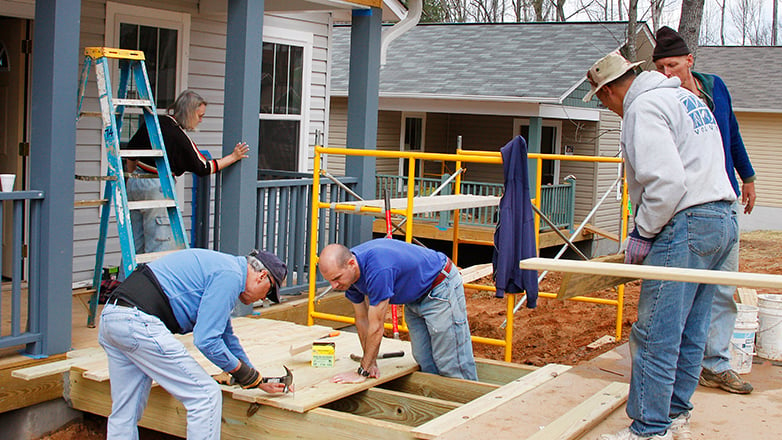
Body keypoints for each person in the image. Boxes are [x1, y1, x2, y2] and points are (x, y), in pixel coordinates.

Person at [583, 50, 737, 440]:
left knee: (656, 332)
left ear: (606, 94)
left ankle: (650, 430)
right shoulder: (685, 96)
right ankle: (675, 415)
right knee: (691, 329)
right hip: (721, 219)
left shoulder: (643, 108)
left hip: (686, 222)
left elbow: (667, 183)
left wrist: (643, 232)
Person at [652, 26, 757, 395]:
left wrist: (747, 176)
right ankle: (680, 367)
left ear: (689, 61)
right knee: (680, 295)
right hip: (686, 208)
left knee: (722, 288)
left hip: (722, 200)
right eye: (661, 67)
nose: (668, 74)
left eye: (674, 65)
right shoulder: (664, 99)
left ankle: (715, 364)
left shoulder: (714, 88)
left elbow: (732, 133)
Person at [98, 248, 288, 440]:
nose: (264, 299)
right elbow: (207, 340)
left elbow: (225, 335)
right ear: (262, 276)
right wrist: (241, 372)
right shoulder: (230, 276)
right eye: (269, 293)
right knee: (205, 396)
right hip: (138, 322)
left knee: (125, 413)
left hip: (113, 318)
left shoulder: (226, 268)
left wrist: (257, 379)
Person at [318, 239, 478, 383]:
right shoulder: (349, 277)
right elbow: (361, 320)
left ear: (352, 264)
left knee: (451, 361)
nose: (334, 286)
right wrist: (371, 362)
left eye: (337, 278)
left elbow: (376, 327)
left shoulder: (378, 269)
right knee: (424, 359)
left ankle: (470, 406)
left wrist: (363, 371)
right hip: (414, 296)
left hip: (439, 287)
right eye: (330, 281)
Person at [125, 90, 250, 253]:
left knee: (134, 243)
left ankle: (126, 278)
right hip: (156, 185)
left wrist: (133, 175)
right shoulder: (177, 135)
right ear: (189, 113)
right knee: (159, 243)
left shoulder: (155, 122)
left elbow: (130, 151)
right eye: (199, 116)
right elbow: (204, 167)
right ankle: (153, 279)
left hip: (135, 183)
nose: (200, 120)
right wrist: (233, 157)